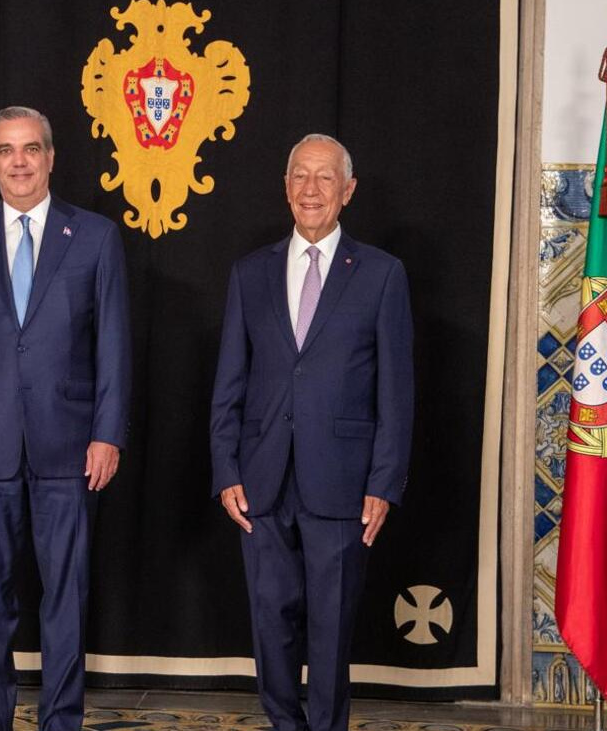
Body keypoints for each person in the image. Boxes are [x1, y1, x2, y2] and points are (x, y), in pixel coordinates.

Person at [0, 106, 131, 731]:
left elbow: (114, 346)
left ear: (50, 157)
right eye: (7, 150)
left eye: (31, 149)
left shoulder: (94, 237)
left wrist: (107, 433)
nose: (19, 162)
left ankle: (60, 720)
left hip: (69, 446)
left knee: (66, 596)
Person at [209, 133, 414, 731]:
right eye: (300, 175)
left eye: (325, 177)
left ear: (348, 191)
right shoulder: (250, 273)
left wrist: (384, 482)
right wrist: (225, 470)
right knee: (270, 620)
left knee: (331, 627)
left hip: (343, 482)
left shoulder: (381, 274)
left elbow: (396, 392)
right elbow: (229, 382)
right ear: (285, 187)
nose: (311, 189)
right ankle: (283, 723)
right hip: (261, 481)